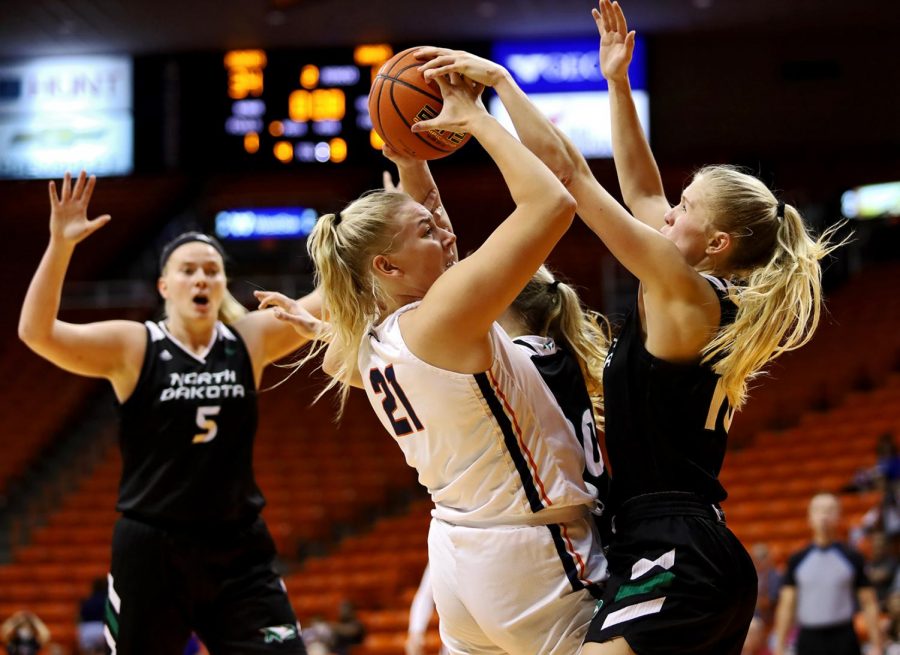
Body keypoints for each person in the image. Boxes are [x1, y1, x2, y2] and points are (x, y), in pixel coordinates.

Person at [414, 0, 843, 649]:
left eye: (686, 207)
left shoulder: (686, 291)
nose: (669, 211)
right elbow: (640, 190)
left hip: (679, 547)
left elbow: (570, 177)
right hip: (669, 542)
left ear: (719, 241)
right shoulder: (688, 285)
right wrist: (617, 83)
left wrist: (496, 93)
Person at [295, 68, 606, 655]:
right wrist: (477, 118)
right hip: (529, 554)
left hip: (458, 553)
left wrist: (413, 158)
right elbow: (552, 203)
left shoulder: (373, 337)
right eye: (424, 232)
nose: (440, 230)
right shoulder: (442, 317)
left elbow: (433, 218)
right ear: (387, 268)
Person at [17, 171, 321, 655]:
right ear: (164, 285)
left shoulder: (251, 338)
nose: (202, 277)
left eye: (212, 270)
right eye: (188, 270)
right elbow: (36, 333)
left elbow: (329, 301)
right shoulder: (134, 344)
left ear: (222, 284)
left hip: (237, 548)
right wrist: (60, 245)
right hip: (153, 549)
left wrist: (383, 226)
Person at [773, 493, 883, 655]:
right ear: (809, 518)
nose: (824, 515)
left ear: (839, 516)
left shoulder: (852, 557)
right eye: (818, 510)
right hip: (809, 639)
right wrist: (779, 646)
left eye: (830, 510)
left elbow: (869, 603)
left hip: (844, 637)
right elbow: (786, 605)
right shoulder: (797, 559)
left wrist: (877, 645)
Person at [77, 578, 107, 655]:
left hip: (87, 631)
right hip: (102, 630)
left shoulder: (86, 601)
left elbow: (79, 618)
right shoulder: (106, 601)